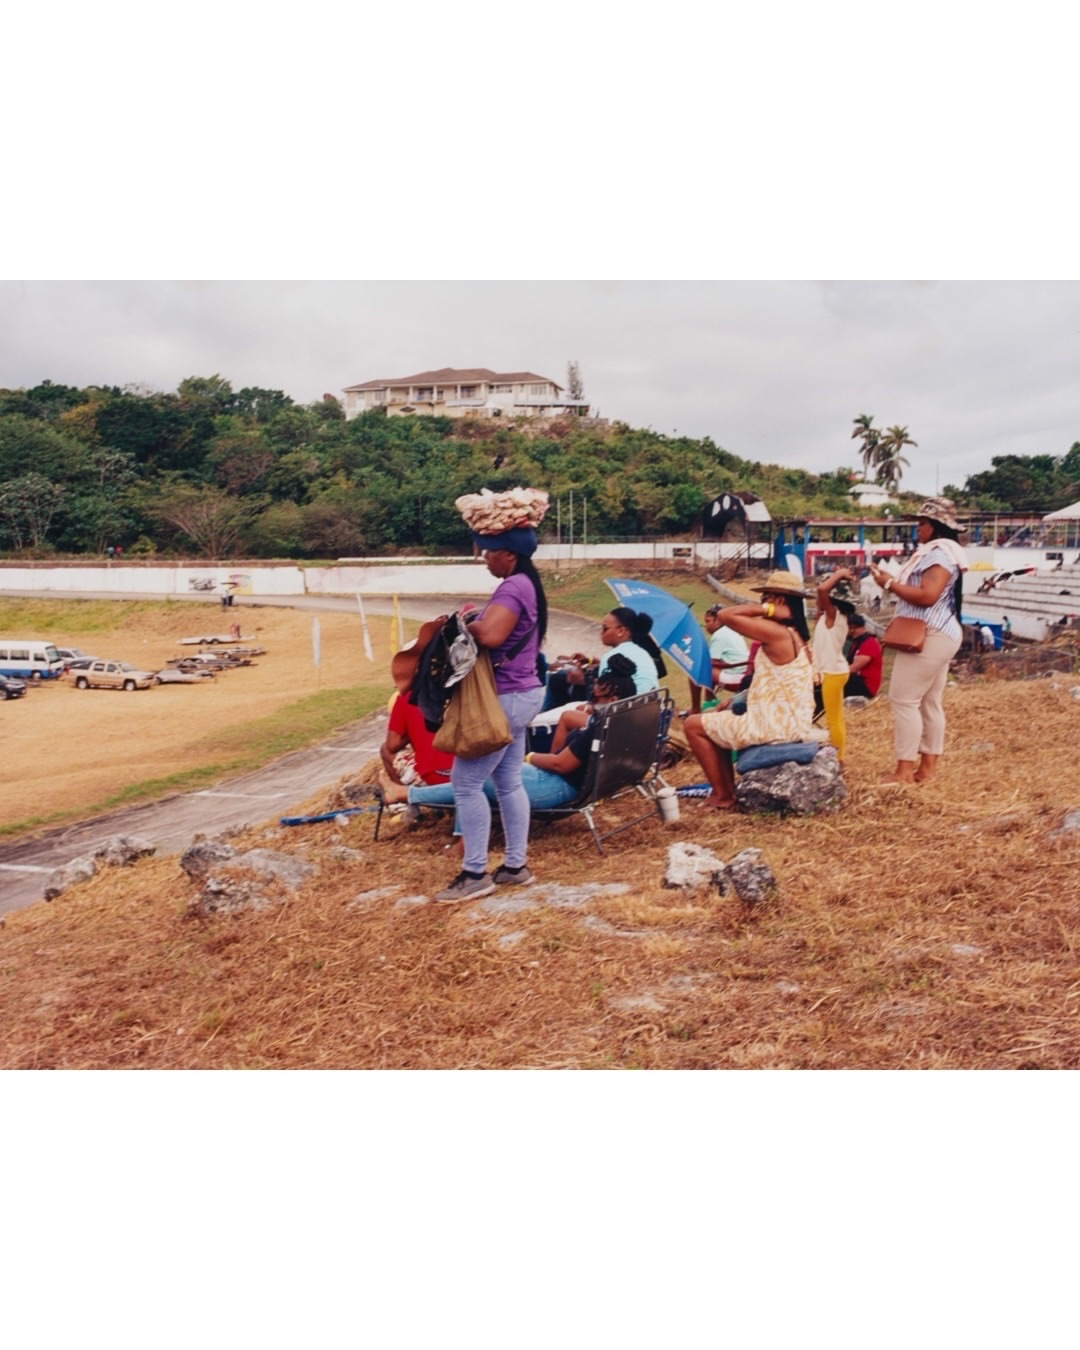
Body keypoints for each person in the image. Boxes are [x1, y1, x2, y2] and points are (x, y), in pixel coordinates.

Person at [432, 524, 548, 903]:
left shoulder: (514, 587)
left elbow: (493, 636)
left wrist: (462, 623)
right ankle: (516, 866)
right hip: (524, 693)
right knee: (509, 781)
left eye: (488, 552)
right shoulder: (527, 584)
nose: (484, 559)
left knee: (465, 783)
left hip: (504, 699)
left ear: (508, 554)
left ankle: (475, 873)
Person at [379, 662, 639, 818]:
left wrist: (530, 757)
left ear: (613, 700)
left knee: (474, 781)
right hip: (562, 783)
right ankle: (411, 795)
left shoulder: (596, 731)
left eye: (595, 699)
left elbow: (561, 765)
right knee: (482, 775)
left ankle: (408, 795)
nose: (590, 703)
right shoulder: (620, 724)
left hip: (554, 787)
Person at [683, 570, 815, 810]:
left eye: (766, 597)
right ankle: (725, 791)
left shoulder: (777, 632)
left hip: (772, 725)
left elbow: (725, 614)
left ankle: (723, 796)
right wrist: (735, 699)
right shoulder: (796, 635)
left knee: (692, 725)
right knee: (715, 720)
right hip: (790, 721)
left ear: (779, 601)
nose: (762, 602)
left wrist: (769, 611)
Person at [867, 497, 969, 785]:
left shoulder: (938, 555)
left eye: (922, 523)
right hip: (940, 632)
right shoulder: (945, 552)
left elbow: (927, 596)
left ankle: (904, 770)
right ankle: (926, 770)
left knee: (903, 699)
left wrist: (888, 583)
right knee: (928, 702)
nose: (917, 529)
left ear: (936, 526)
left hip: (930, 633)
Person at [543, 606, 663, 709]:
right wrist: (594, 663)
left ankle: (542, 727)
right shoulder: (642, 652)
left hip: (621, 712)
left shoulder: (612, 656)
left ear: (621, 631)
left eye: (605, 628)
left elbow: (598, 692)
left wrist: (581, 672)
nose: (601, 633)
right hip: (646, 709)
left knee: (558, 679)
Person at [380, 640, 454, 791]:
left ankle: (403, 799)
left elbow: (392, 746)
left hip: (433, 778)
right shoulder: (461, 688)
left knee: (385, 750)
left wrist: (411, 732)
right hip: (472, 773)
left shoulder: (405, 697)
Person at [811, 569, 856, 761]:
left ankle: (839, 757)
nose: (816, 597)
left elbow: (822, 589)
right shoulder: (828, 616)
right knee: (834, 716)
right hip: (832, 671)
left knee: (833, 718)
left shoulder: (834, 614)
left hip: (832, 673)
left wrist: (839, 573)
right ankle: (839, 755)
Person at [844, 614, 882, 700]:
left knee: (836, 680)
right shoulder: (856, 642)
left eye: (855, 628)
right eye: (850, 628)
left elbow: (854, 668)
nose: (852, 630)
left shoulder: (869, 643)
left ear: (863, 627)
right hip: (858, 680)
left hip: (866, 686)